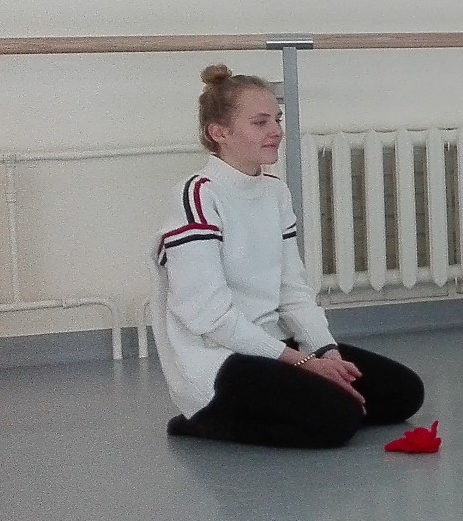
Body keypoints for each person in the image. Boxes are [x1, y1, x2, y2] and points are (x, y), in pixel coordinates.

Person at [153, 65, 425, 447]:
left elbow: (292, 290)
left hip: (275, 348)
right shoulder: (197, 196)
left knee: (404, 393)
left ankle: (302, 397)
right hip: (218, 359)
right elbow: (209, 317)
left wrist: (326, 352)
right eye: (260, 122)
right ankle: (201, 421)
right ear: (219, 132)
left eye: (276, 120)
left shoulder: (275, 192)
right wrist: (304, 364)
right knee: (337, 419)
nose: (276, 131)